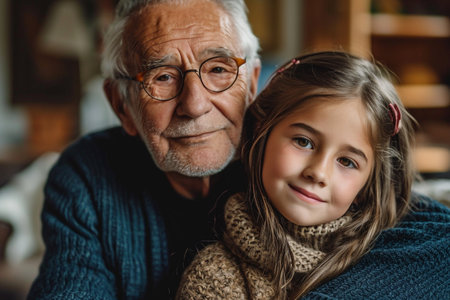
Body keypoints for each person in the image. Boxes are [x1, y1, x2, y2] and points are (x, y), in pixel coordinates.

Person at [28, 0, 260, 299]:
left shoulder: (299, 169)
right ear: (121, 106)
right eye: (162, 77)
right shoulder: (88, 175)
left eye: (218, 68)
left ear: (252, 83)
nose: (195, 105)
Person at [176, 51, 450, 299]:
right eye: (303, 142)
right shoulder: (215, 278)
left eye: (346, 161)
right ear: (261, 131)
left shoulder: (396, 252)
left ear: (366, 186)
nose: (318, 172)